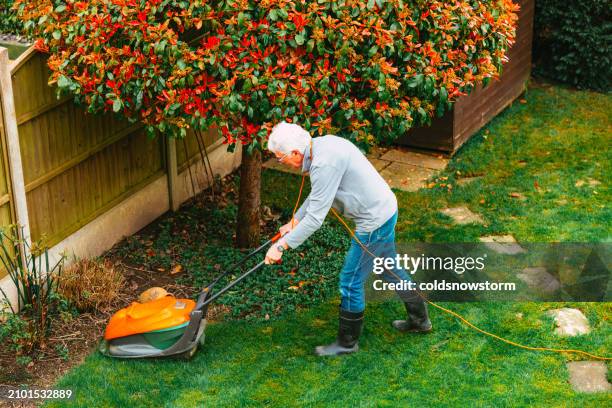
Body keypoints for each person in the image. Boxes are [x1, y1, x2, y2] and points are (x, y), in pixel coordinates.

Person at [264, 121, 432, 357]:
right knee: (388, 269)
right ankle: (420, 320)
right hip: (385, 209)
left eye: (280, 158)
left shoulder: (324, 163)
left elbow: (315, 219)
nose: (283, 163)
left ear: (294, 152)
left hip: (374, 221)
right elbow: (318, 194)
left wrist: (281, 246)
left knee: (350, 281)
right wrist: (294, 221)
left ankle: (347, 343)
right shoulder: (322, 146)